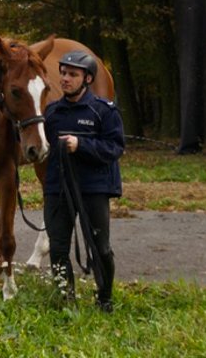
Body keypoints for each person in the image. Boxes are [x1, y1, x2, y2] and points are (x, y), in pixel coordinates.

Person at [43, 50, 124, 313]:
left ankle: (105, 299)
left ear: (87, 79)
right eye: (63, 73)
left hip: (93, 189)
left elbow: (114, 148)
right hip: (58, 189)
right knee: (57, 248)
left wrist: (82, 145)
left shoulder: (103, 111)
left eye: (72, 74)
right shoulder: (51, 112)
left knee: (101, 247)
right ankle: (66, 301)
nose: (65, 78)